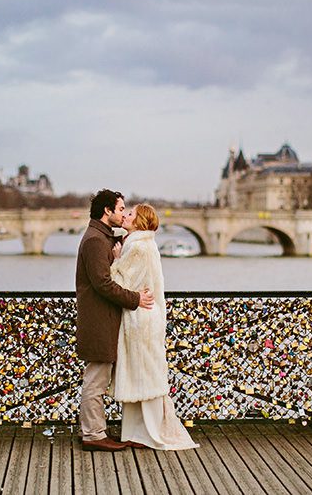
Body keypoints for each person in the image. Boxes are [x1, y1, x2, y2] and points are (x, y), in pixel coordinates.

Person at [110, 203, 199, 450]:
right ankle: (137, 433)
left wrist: (116, 260)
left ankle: (146, 433)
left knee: (142, 378)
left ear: (139, 222)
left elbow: (120, 281)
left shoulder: (137, 247)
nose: (125, 216)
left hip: (140, 319)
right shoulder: (141, 242)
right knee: (143, 377)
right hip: (144, 317)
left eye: (130, 214)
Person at [75, 189, 154, 452]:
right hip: (99, 319)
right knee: (96, 380)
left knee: (98, 378)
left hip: (104, 318)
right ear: (107, 211)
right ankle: (94, 434)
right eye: (121, 209)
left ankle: (93, 429)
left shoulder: (102, 236)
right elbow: (103, 284)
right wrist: (135, 299)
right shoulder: (96, 241)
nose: (123, 213)